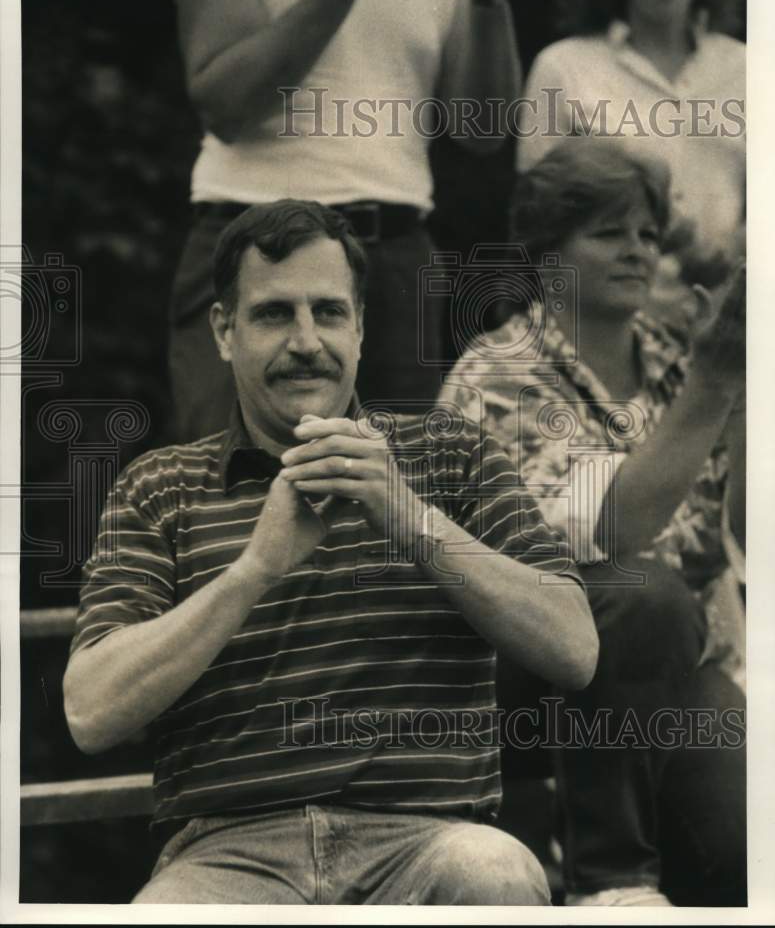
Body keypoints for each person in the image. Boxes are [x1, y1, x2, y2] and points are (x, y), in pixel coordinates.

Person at [63, 199, 598, 905]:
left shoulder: (452, 454)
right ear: (224, 331)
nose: (307, 341)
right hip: (229, 856)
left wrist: (408, 518)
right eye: (274, 314)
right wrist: (254, 569)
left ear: (362, 325)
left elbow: (574, 649)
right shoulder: (159, 485)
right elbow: (90, 713)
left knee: (494, 874)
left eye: (329, 311)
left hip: (430, 842)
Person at [440, 142, 746, 906]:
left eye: (648, 235)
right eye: (610, 233)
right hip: (508, 675)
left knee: (741, 852)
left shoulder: (676, 362)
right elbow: (602, 538)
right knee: (636, 588)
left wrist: (742, 392)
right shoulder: (497, 374)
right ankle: (607, 883)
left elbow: (726, 539)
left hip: (671, 663)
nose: (638, 251)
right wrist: (713, 387)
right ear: (547, 255)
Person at [170, 0, 533, 440]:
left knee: (399, 487)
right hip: (251, 243)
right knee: (226, 492)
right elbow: (226, 106)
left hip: (394, 253)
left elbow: (483, 132)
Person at [517, 0, 745, 329]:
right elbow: (535, 216)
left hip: (727, 331)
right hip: (603, 331)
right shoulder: (562, 65)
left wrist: (735, 246)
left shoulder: (752, 68)